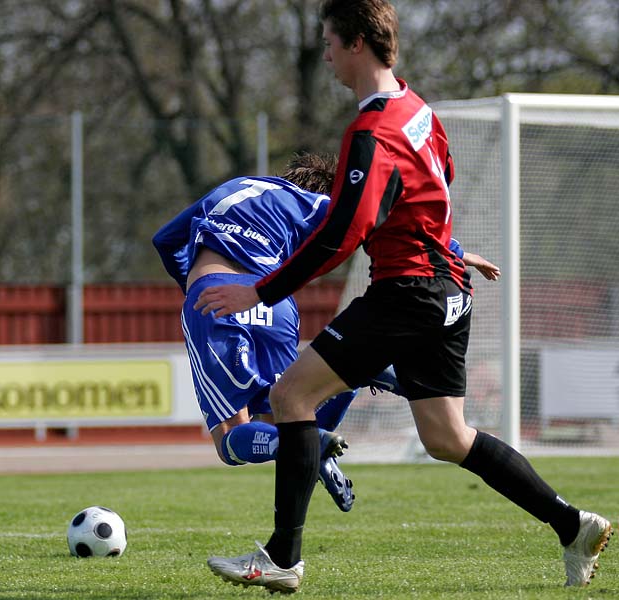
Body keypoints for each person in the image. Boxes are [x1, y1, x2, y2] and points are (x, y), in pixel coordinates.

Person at [195, 0, 612, 593]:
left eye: (330, 42)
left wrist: (257, 291)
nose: (326, 54)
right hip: (447, 289)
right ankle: (573, 526)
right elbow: (436, 183)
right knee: (447, 437)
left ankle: (283, 556)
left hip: (408, 293)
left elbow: (341, 235)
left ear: (358, 43)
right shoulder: (418, 109)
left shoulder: (370, 132)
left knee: (291, 395)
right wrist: (445, 249)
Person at [153, 152, 496, 514]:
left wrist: (194, 286)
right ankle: (354, 377)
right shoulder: (321, 206)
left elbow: (165, 240)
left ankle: (316, 438)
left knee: (230, 443)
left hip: (215, 297)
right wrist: (456, 251)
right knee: (285, 415)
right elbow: (387, 225)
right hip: (275, 304)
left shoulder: (233, 187)